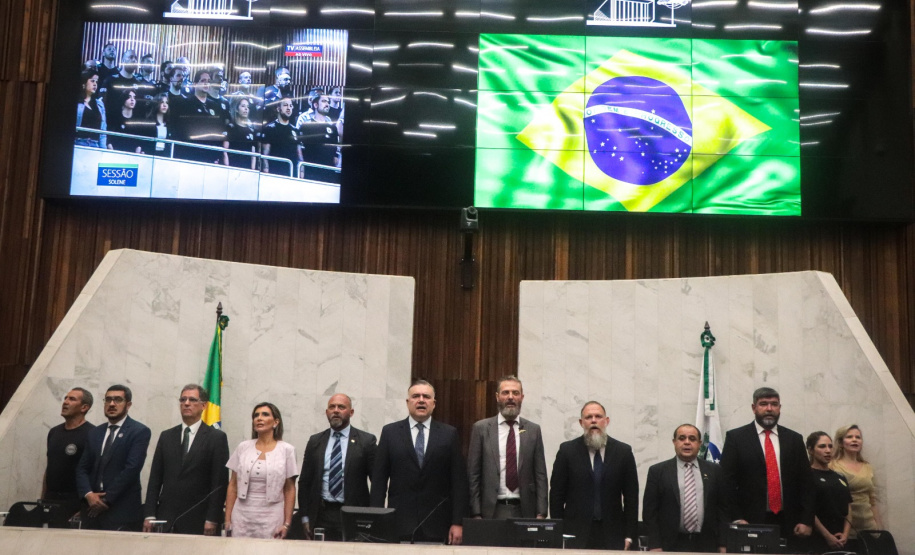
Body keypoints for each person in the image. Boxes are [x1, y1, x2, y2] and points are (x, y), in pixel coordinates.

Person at [370, 380, 469, 544]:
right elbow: (379, 481)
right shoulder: (390, 433)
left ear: (434, 403)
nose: (421, 400)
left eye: (426, 396)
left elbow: (458, 482)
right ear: (408, 402)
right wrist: (376, 518)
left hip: (437, 525)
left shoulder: (449, 434)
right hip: (399, 524)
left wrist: (458, 522)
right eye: (416, 396)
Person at [720, 387, 814, 550]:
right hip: (750, 522)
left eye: (774, 404)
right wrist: (737, 518)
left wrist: (806, 520)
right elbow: (725, 483)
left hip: (791, 522)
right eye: (763, 404)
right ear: (753, 408)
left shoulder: (794, 439)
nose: (769, 409)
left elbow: (806, 483)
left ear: (779, 408)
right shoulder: (736, 438)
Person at [549, 401, 639, 550]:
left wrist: (629, 535)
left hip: (613, 533)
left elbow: (631, 497)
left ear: (606, 421)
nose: (593, 421)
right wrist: (559, 531)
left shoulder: (623, 452)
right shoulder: (567, 451)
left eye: (598, 416)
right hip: (575, 533)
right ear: (581, 422)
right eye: (588, 417)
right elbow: (557, 496)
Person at [143, 384, 230, 535]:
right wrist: (150, 514)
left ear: (203, 405)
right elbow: (155, 479)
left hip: (199, 519)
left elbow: (219, 483)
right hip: (166, 518)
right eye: (183, 399)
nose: (186, 403)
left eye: (192, 399)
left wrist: (212, 518)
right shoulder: (166, 436)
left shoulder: (216, 438)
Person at [467, 375, 547, 520]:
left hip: (524, 510)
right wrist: (476, 512)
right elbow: (473, 474)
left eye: (515, 393)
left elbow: (540, 474)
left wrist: (541, 512)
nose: (510, 397)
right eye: (505, 393)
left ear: (522, 397)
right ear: (497, 397)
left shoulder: (533, 430)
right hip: (490, 510)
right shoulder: (481, 429)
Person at [297, 393, 376, 541]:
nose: (336, 410)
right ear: (327, 412)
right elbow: (305, 482)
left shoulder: (366, 441)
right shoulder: (315, 441)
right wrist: (304, 517)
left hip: (353, 514)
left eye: (341, 407)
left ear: (351, 412)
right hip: (321, 515)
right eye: (332, 407)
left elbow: (377, 482)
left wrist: (372, 517)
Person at [75, 384, 151, 531]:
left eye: (117, 400)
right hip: (91, 511)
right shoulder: (94, 433)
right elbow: (82, 468)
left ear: (128, 404)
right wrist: (89, 495)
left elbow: (132, 469)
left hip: (121, 511)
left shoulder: (139, 431)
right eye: (108, 399)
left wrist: (105, 500)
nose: (111, 404)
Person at [642, 424, 728, 552]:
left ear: (700, 444)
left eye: (692, 439)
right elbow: (650, 512)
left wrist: (723, 544)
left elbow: (723, 510)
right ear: (674, 442)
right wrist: (655, 545)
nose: (687, 442)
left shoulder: (715, 471)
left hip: (707, 544)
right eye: (682, 438)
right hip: (669, 545)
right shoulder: (658, 471)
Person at [225, 402, 297, 539]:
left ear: (276, 422)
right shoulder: (243, 447)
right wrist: (227, 519)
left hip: (271, 516)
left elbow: (289, 489)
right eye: (256, 415)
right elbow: (233, 485)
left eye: (265, 414)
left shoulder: (287, 450)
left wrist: (287, 524)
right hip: (242, 515)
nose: (259, 418)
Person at [43, 388, 94, 518]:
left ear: (84, 407)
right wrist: (43, 498)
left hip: (75, 501)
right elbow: (49, 468)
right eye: (65, 398)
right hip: (50, 500)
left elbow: (94, 472)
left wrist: (85, 507)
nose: (65, 402)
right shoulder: (54, 432)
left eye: (72, 399)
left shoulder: (93, 434)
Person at [830, 425, 880, 548]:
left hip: (869, 527)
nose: (854, 440)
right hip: (844, 529)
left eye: (858, 437)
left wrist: (879, 527)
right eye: (850, 437)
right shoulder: (832, 466)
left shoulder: (867, 467)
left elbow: (872, 500)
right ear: (841, 443)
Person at [807, 431, 851, 553]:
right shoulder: (807, 476)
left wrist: (845, 535)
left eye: (830, 446)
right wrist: (827, 536)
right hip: (818, 539)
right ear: (811, 450)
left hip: (841, 538)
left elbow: (848, 507)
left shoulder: (840, 476)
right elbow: (808, 510)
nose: (828, 450)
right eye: (822, 446)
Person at [173, 68, 227, 163]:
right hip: (188, 155)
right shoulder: (184, 104)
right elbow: (179, 131)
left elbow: (218, 133)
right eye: (203, 81)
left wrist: (217, 155)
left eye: (209, 81)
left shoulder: (215, 106)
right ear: (195, 84)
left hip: (210, 157)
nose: (206, 83)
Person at [296, 91, 341, 182]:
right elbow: (299, 148)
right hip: (311, 173)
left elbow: (335, 151)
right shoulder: (306, 127)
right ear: (316, 105)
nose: (327, 104)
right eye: (324, 101)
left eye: (328, 102)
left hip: (329, 174)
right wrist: (302, 167)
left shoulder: (332, 128)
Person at [260, 97, 302, 176]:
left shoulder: (295, 130)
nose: (288, 108)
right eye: (285, 105)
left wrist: (301, 174)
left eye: (290, 106)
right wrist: (266, 172)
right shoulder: (269, 128)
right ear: (278, 108)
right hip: (275, 174)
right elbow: (265, 155)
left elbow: (299, 156)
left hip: (292, 174)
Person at [222, 97, 257, 169]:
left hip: (246, 169)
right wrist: (227, 168)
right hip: (232, 167)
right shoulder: (230, 128)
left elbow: (253, 155)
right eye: (243, 106)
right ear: (236, 109)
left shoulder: (251, 131)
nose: (246, 109)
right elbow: (224, 151)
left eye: (248, 107)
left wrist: (252, 171)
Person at [107, 90, 146, 154]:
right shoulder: (115, 117)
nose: (132, 100)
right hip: (115, 153)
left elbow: (140, 140)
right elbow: (109, 138)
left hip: (133, 155)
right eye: (129, 97)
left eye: (134, 97)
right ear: (123, 99)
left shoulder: (137, 119)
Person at [76, 68, 106, 148]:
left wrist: (103, 150)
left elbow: (103, 131)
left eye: (96, 81)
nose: (95, 84)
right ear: (84, 83)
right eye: (92, 81)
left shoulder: (99, 104)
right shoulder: (77, 103)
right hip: (79, 143)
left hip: (95, 145)